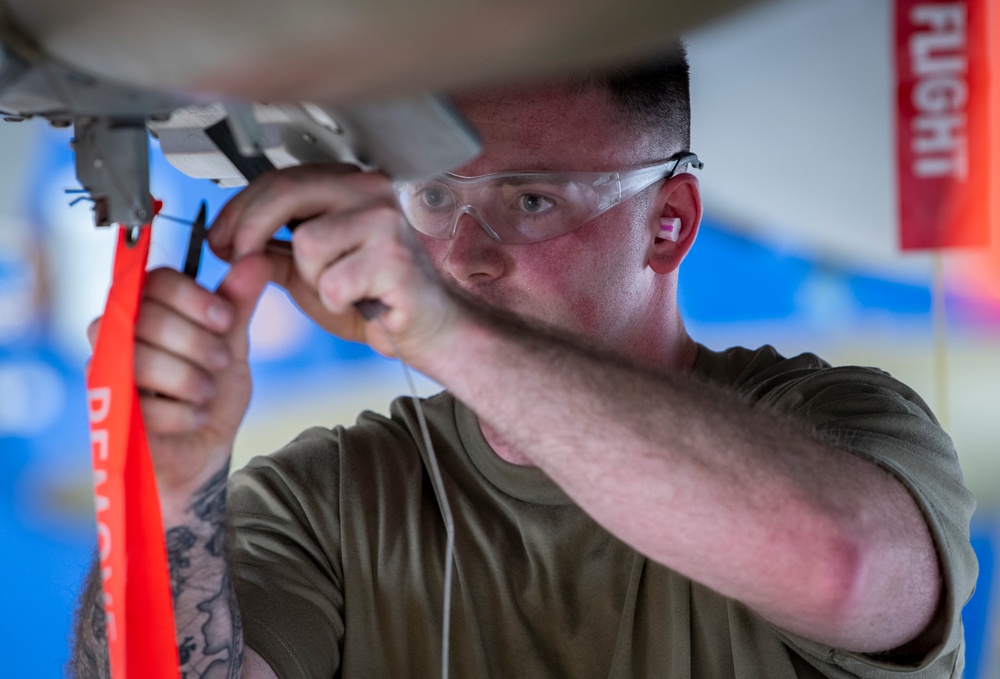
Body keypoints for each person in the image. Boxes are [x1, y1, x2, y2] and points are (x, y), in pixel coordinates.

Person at [70, 45, 977, 678]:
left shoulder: (838, 426)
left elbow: (846, 568)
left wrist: (446, 332)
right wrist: (167, 492)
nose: (465, 254)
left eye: (532, 200)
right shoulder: (329, 497)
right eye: (432, 197)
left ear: (669, 224)